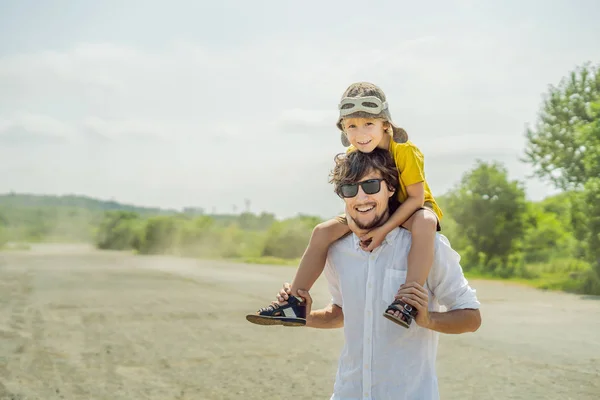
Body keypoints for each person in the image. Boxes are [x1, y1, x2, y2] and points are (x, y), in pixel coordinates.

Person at [271, 148, 482, 399]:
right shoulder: (336, 250)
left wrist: (428, 320)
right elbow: (340, 314)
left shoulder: (428, 246)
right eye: (350, 189)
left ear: (390, 188)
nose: (361, 198)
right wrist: (307, 317)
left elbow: (471, 317)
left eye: (371, 185)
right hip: (348, 392)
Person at [247, 82, 443, 328]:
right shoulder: (354, 152)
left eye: (368, 124)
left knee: (426, 221)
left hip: (409, 208)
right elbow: (351, 196)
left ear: (386, 123)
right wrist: (354, 224)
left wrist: (382, 230)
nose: (360, 134)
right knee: (322, 231)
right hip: (373, 207)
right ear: (343, 129)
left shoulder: (404, 150)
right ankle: (295, 302)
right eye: (352, 126)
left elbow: (415, 197)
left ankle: (407, 301)